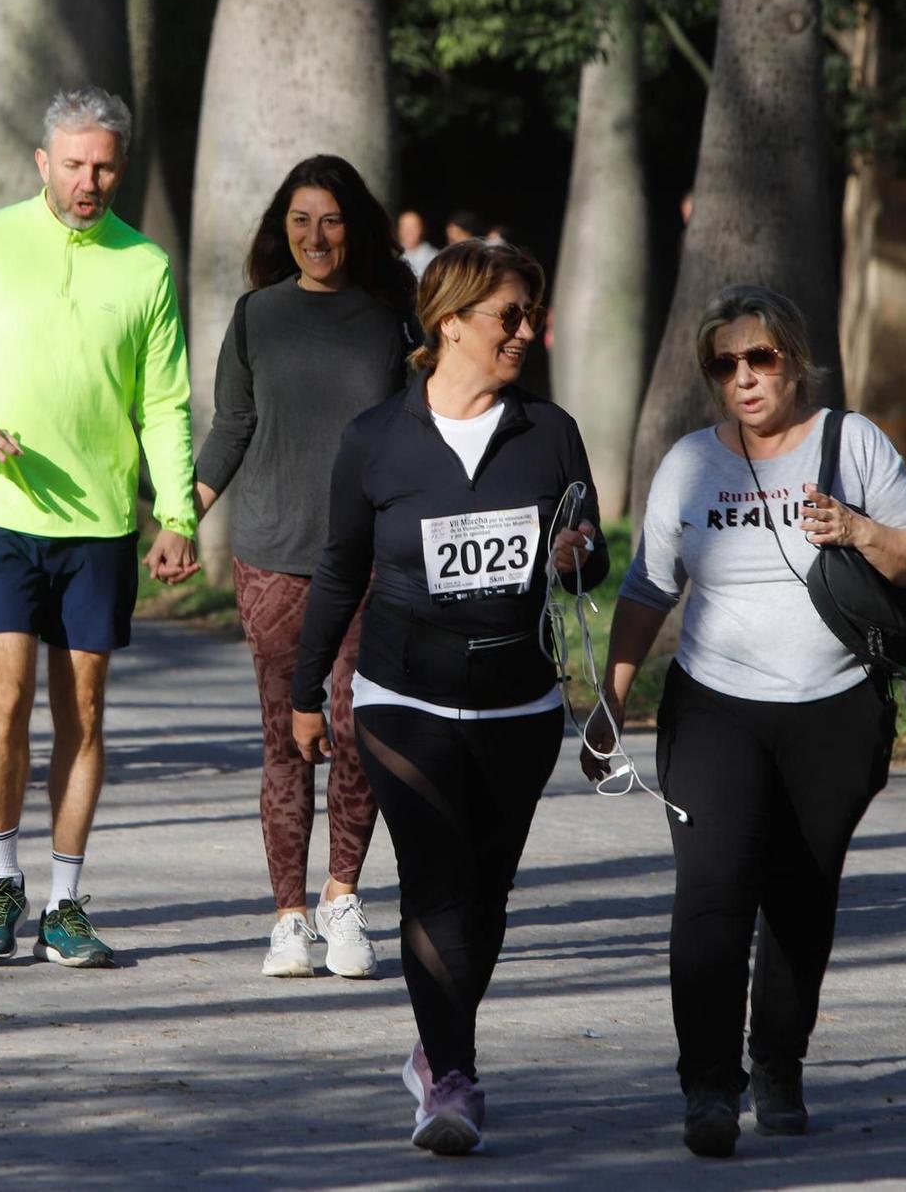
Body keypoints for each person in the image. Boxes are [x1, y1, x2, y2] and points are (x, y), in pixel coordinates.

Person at [586, 284, 906, 1159]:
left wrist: (858, 528)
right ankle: (709, 1083)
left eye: (760, 357)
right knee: (711, 890)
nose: (743, 377)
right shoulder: (689, 464)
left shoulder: (849, 442)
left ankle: (778, 1058)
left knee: (800, 894)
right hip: (714, 706)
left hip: (835, 711)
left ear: (793, 356)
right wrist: (612, 697)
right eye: (724, 363)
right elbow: (645, 589)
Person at [291, 239, 606, 1156]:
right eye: (507, 314)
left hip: (518, 704)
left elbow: (591, 556)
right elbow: (340, 567)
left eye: (529, 314)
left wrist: (579, 554)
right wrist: (307, 690)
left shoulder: (549, 432)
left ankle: (436, 1052)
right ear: (449, 322)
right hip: (402, 699)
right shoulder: (375, 438)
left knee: (486, 894)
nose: (524, 330)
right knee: (433, 884)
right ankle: (453, 1079)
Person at [0, 86, 198, 972]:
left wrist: (178, 509)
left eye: (104, 164)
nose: (89, 179)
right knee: (5, 694)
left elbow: (165, 403)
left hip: (100, 521)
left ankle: (66, 900)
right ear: (43, 162)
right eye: (73, 163)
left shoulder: (144, 266)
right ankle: (0, 877)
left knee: (85, 706)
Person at [193, 154, 412, 980]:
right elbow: (231, 426)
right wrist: (184, 517)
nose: (315, 236)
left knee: (358, 729)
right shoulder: (257, 316)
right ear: (280, 228)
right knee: (289, 735)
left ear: (354, 226)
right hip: (275, 557)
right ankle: (288, 915)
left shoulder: (395, 317)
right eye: (300, 220)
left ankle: (342, 895)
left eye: (330, 219)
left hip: (372, 558)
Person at [397, 208, 439, 279]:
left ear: (422, 229)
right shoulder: (391, 254)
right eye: (405, 227)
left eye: (413, 227)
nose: (409, 231)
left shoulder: (435, 258)